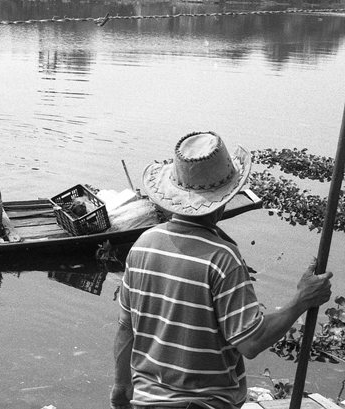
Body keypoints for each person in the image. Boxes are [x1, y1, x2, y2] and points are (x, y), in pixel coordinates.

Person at [110, 131, 333, 409]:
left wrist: (121, 387)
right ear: (227, 195)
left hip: (146, 402)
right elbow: (251, 342)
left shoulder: (143, 245)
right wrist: (302, 300)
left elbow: (125, 327)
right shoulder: (221, 257)